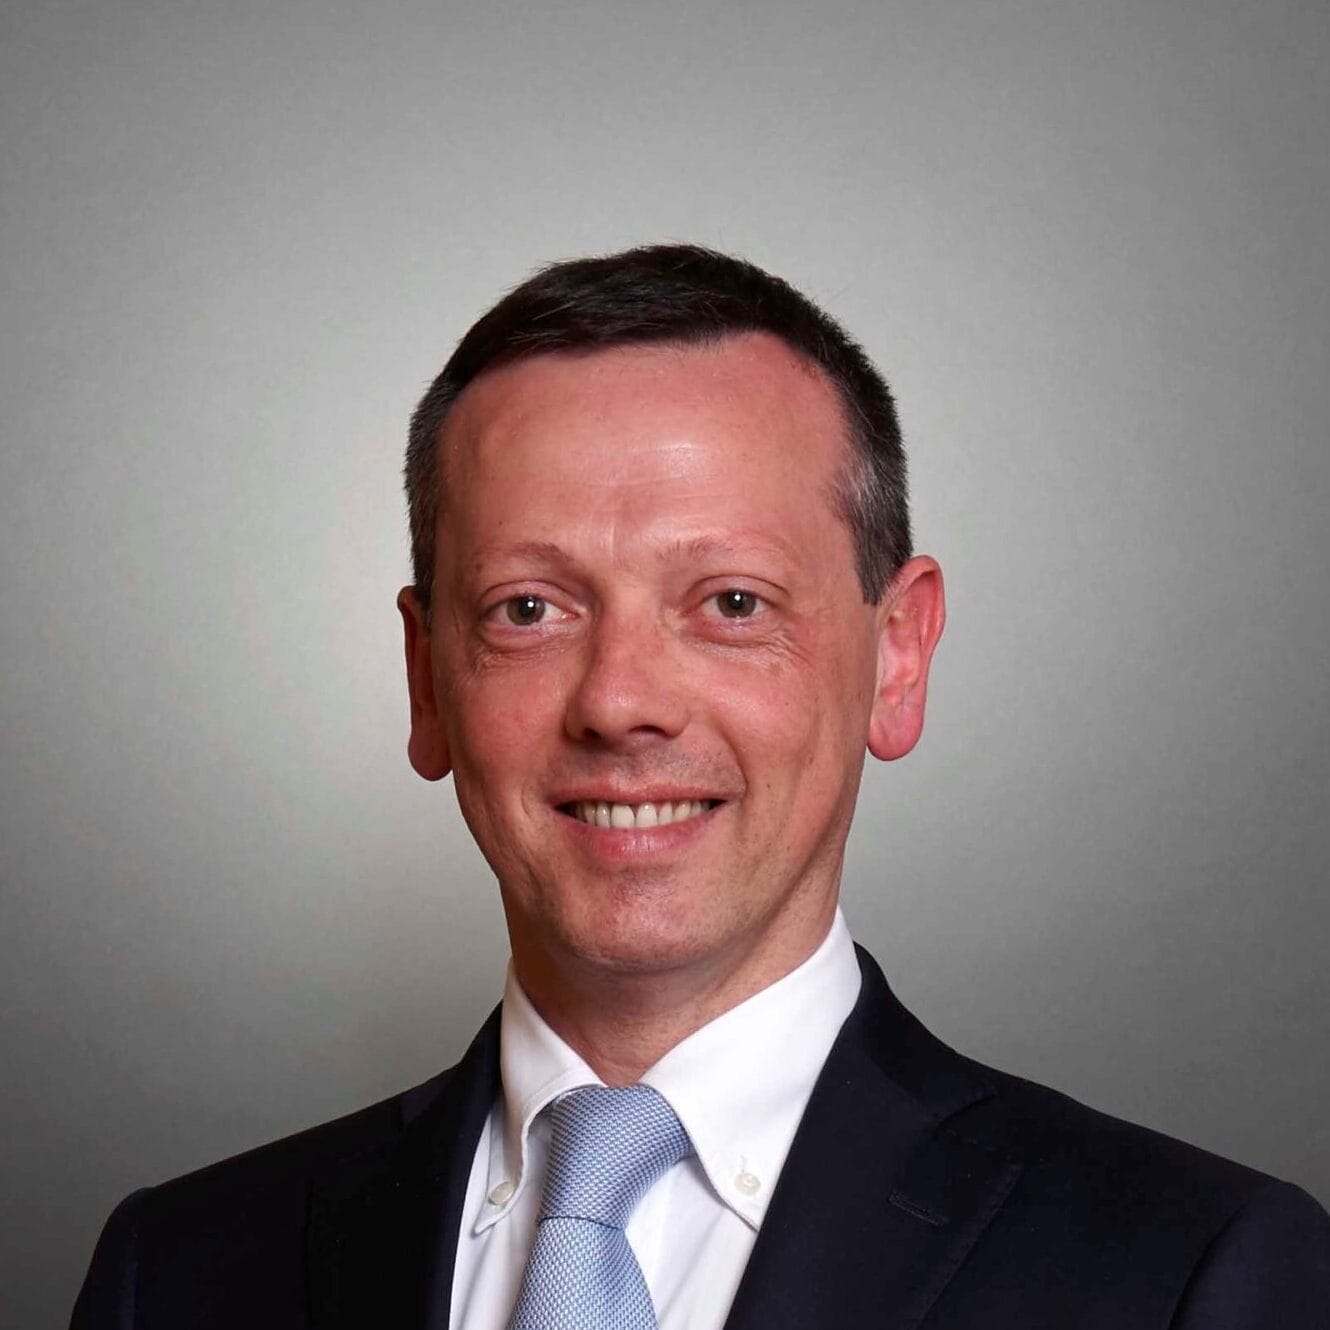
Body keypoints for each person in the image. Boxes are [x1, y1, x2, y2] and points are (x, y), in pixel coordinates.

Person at [72, 245, 1330, 1328]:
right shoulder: (170, 1274)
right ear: (426, 676)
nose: (621, 700)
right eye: (528, 608)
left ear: (897, 655)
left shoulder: (1192, 1273)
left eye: (730, 602)